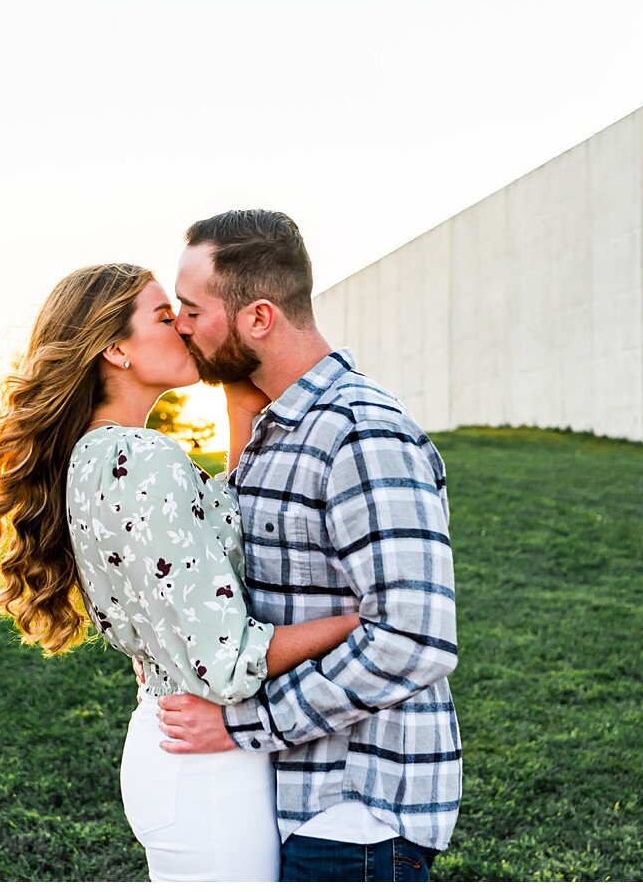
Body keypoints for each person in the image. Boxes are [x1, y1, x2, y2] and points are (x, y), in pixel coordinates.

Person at [0, 262, 360, 881]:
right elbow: (228, 659)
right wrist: (358, 623)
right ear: (115, 348)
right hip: (207, 770)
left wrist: (238, 397)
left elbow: (221, 520)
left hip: (175, 753)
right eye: (165, 317)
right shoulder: (143, 458)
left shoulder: (98, 455)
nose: (185, 328)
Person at [157, 209, 461, 882]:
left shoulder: (360, 434)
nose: (180, 324)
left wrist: (243, 725)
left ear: (258, 318)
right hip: (295, 799)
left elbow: (414, 640)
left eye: (191, 308)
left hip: (356, 814)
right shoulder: (277, 429)